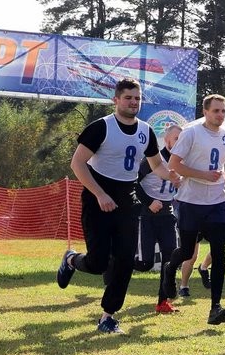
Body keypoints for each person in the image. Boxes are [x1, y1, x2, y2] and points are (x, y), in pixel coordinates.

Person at [56, 78, 174, 334]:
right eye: (128, 98)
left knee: (124, 260)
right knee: (98, 263)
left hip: (127, 199)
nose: (133, 103)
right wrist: (99, 194)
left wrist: (173, 175)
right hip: (97, 195)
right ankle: (72, 260)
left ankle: (108, 316)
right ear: (116, 100)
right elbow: (78, 164)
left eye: (137, 98)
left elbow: (157, 166)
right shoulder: (101, 127)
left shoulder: (146, 130)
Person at [161, 94, 225, 326]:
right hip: (191, 201)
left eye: (223, 110)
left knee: (219, 252)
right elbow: (174, 165)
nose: (220, 115)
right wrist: (202, 175)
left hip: (217, 201)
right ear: (205, 112)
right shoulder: (192, 133)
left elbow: (222, 164)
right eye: (216, 110)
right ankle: (170, 268)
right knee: (187, 251)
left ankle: (215, 307)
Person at [128, 123, 182, 312]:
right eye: (176, 138)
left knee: (170, 260)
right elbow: (133, 182)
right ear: (167, 140)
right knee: (145, 263)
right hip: (147, 214)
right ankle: (115, 262)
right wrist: (149, 201)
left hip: (167, 214)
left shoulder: (182, 162)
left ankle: (162, 302)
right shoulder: (153, 160)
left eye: (181, 139)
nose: (179, 142)